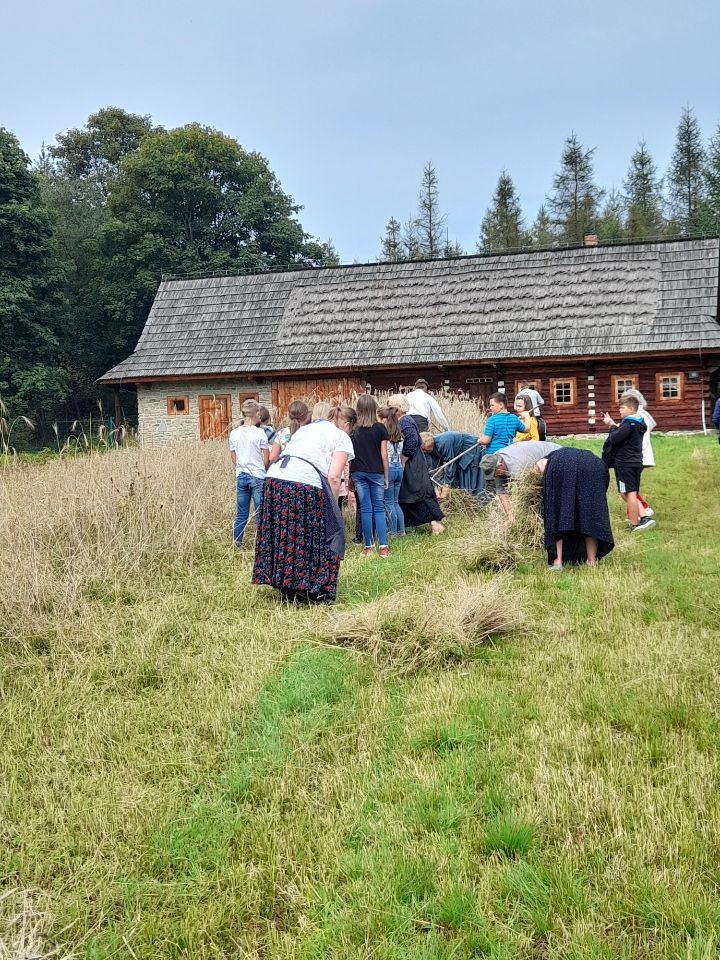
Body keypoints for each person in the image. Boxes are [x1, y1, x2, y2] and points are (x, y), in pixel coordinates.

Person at [252, 405, 356, 603]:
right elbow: (334, 477)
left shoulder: (305, 429)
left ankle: (286, 585)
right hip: (304, 484)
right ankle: (311, 588)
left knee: (286, 534)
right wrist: (332, 507)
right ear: (346, 425)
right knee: (312, 535)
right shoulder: (341, 437)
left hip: (274, 480)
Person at [534, 447, 614, 569]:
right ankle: (591, 561)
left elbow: (539, 467)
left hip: (563, 466)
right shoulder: (555, 448)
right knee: (589, 513)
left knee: (558, 512)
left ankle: (558, 561)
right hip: (594, 465)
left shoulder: (546, 456)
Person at [388, 394, 445, 535]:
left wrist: (403, 458)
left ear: (398, 408)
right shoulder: (403, 420)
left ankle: (435, 523)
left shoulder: (405, 421)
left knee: (417, 491)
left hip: (412, 463)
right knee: (408, 493)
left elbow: (413, 441)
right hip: (412, 462)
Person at [602, 395, 655, 532]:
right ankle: (643, 517)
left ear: (631, 409)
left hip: (625, 463)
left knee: (628, 492)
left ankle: (634, 523)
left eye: (622, 407)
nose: (619, 410)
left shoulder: (628, 423)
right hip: (636, 461)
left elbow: (615, 438)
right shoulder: (639, 423)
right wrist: (614, 425)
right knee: (630, 492)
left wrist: (611, 426)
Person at [480, 439, 561, 521]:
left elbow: (530, 491)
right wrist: (511, 517)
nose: (495, 476)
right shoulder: (495, 461)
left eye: (495, 473)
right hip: (536, 460)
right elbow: (502, 492)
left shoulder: (517, 466)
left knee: (544, 491)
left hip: (556, 455)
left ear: (500, 465)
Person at [350, 394, 390, 557]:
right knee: (379, 509)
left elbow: (350, 455)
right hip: (376, 472)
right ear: (374, 408)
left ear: (358, 409)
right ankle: (383, 547)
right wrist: (386, 476)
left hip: (358, 472)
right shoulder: (381, 428)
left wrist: (350, 477)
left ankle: (368, 546)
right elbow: (384, 456)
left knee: (366, 509)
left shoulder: (354, 431)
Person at [229, 398, 270, 546]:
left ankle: (238, 541)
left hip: (241, 474)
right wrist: (263, 468)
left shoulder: (234, 433)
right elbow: (266, 457)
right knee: (260, 512)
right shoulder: (260, 433)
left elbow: (233, 455)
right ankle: (262, 543)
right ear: (257, 413)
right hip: (257, 475)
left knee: (241, 512)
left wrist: (239, 466)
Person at [620, 387, 656, 518]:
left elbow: (641, 440)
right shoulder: (639, 417)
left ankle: (644, 509)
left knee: (628, 489)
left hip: (636, 457)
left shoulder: (639, 418)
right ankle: (633, 513)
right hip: (637, 456)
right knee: (631, 487)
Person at [421, 431, 486, 498]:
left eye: (424, 449)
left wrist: (446, 484)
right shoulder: (429, 451)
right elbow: (437, 468)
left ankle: (476, 497)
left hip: (470, 449)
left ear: (431, 445)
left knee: (471, 477)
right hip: (457, 454)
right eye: (422, 450)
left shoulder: (444, 442)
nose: (424, 452)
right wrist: (439, 484)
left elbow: (450, 464)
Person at [378, 405, 406, 537]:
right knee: (395, 502)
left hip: (388, 468)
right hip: (399, 468)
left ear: (384, 419)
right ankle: (401, 530)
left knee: (388, 502)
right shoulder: (400, 434)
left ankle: (391, 532)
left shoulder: (384, 435)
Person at [268, 400, 310, 464]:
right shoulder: (310, 432)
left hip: (285, 470)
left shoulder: (282, 433)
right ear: (306, 415)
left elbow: (272, 457)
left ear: (289, 415)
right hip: (306, 469)